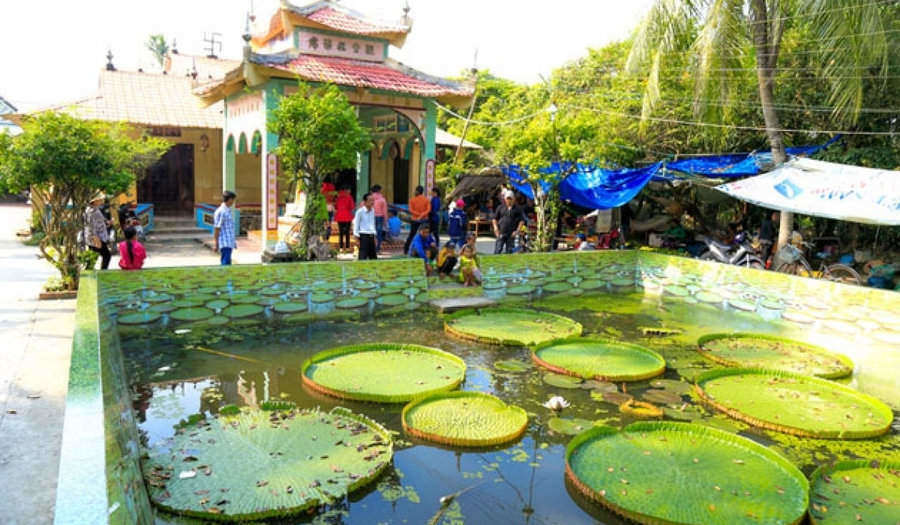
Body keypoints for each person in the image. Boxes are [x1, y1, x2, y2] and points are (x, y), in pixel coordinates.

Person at [84, 193, 112, 269]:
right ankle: (102, 272)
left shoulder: (94, 209)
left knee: (93, 258)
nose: (102, 201)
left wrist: (106, 223)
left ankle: (90, 273)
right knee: (106, 255)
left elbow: (99, 222)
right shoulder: (92, 211)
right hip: (96, 238)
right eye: (100, 199)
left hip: (97, 237)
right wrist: (95, 238)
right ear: (95, 201)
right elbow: (91, 226)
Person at [404, 185, 431, 254]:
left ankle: (406, 250)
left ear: (417, 191)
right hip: (424, 219)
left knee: (412, 235)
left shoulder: (412, 200)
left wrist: (418, 215)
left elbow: (410, 210)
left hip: (415, 219)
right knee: (426, 235)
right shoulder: (426, 200)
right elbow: (428, 210)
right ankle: (426, 250)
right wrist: (422, 215)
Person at [213, 191, 237, 266]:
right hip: (224, 242)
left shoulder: (228, 210)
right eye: (233, 200)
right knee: (225, 263)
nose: (233, 202)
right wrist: (216, 244)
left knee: (228, 262)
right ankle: (226, 277)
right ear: (229, 199)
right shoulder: (221, 211)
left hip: (229, 242)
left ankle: (228, 277)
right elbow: (217, 228)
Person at [353, 192, 377, 260]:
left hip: (371, 235)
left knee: (373, 257)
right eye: (370, 200)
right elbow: (356, 224)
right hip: (363, 236)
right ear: (365, 202)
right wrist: (356, 237)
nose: (372, 202)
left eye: (373, 200)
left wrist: (374, 236)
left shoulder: (373, 211)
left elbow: (373, 223)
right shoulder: (360, 212)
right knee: (363, 256)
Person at [334, 187, 355, 252]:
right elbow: (352, 207)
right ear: (347, 190)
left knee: (341, 232)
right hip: (347, 216)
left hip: (339, 216)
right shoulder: (349, 197)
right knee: (347, 232)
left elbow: (336, 206)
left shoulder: (338, 197)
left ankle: (340, 247)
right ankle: (347, 247)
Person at [371, 184, 388, 252]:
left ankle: (371, 247)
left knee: (371, 233)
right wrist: (386, 221)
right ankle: (377, 248)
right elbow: (385, 211)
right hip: (380, 217)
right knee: (379, 233)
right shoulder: (382, 199)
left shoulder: (370, 198)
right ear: (379, 190)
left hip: (371, 217)